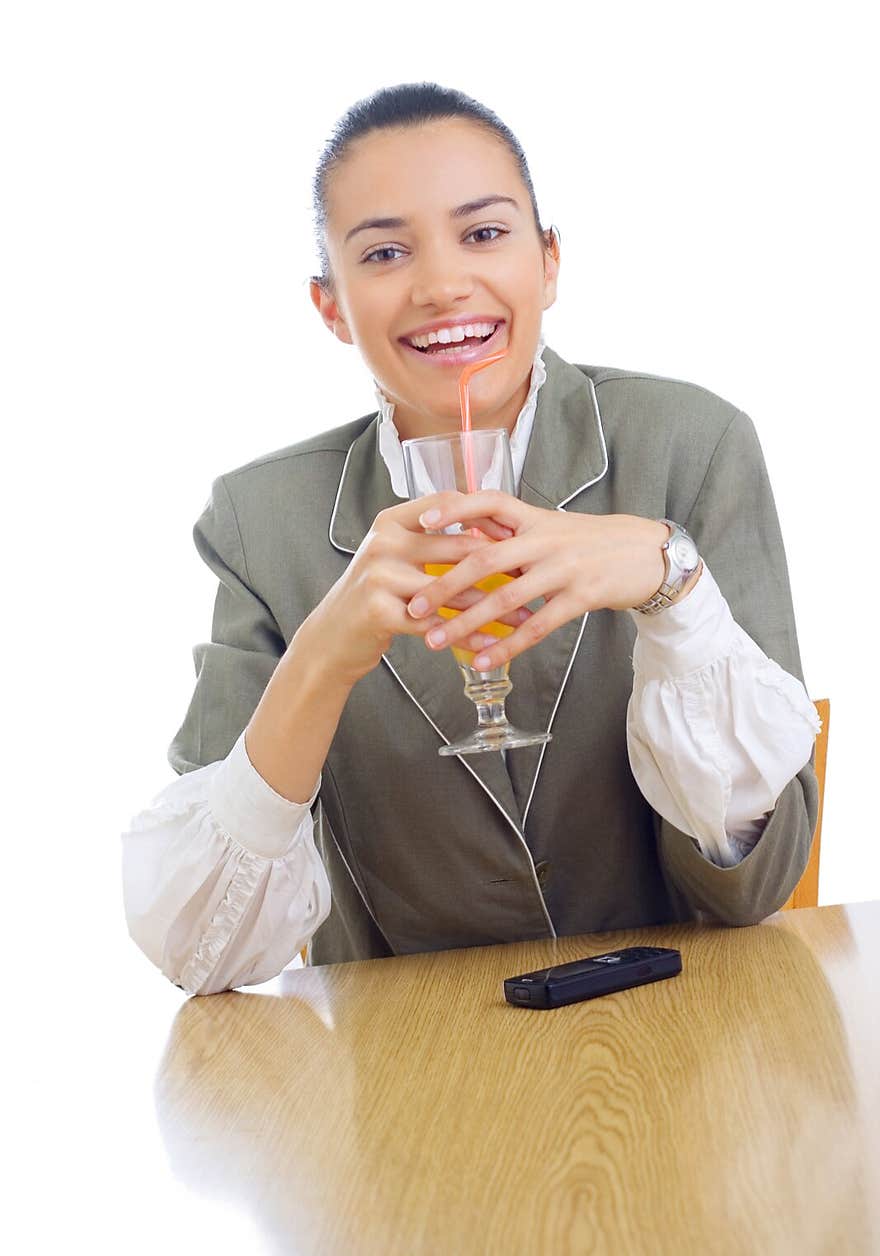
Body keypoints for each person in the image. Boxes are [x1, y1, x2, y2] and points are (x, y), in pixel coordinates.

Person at [121, 82, 821, 996]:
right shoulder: (261, 524)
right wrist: (325, 652)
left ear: (551, 262)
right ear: (330, 306)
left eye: (484, 234)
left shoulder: (691, 446)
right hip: (408, 1080)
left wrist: (671, 587)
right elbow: (199, 955)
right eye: (384, 251)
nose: (443, 284)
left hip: (688, 1040)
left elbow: (755, 884)